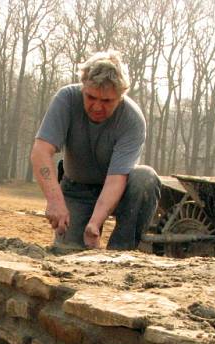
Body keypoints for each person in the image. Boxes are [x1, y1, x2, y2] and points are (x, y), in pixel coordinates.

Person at [31, 51, 160, 250]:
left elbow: (116, 179)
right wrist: (55, 201)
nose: (97, 107)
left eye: (107, 101)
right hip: (76, 188)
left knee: (145, 179)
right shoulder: (66, 99)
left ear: (121, 95)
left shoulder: (132, 119)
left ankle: (121, 252)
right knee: (67, 252)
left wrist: (96, 223)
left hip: (118, 190)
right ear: (83, 87)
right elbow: (41, 152)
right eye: (91, 97)